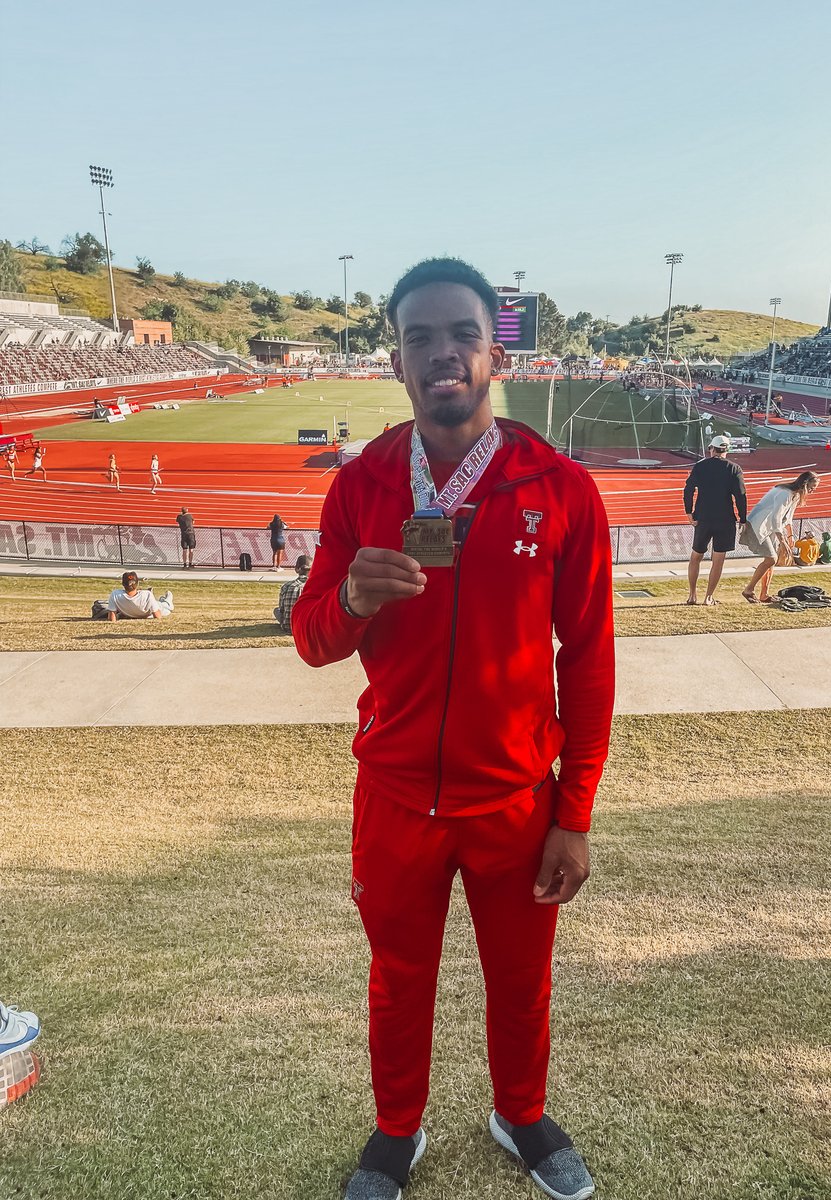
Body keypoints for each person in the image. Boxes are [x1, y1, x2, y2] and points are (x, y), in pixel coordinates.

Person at [292, 258, 614, 1200]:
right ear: (397, 360)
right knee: (399, 980)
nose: (444, 355)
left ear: (494, 351)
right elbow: (313, 640)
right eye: (421, 338)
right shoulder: (361, 488)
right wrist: (350, 598)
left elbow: (587, 661)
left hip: (516, 799)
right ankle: (397, 1133)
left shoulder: (559, 489)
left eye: (462, 335)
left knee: (523, 982)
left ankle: (521, 1115)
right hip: (394, 798)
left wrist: (576, 810)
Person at [682, 434, 747, 606]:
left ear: (712, 449)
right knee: (718, 560)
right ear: (727, 450)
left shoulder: (700, 466)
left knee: (695, 556)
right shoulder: (734, 468)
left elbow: (688, 490)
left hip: (703, 517)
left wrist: (689, 512)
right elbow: (740, 496)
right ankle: (708, 597)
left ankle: (692, 595)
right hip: (725, 519)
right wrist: (743, 518)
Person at [739, 471, 820, 603]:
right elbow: (775, 518)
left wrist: (790, 536)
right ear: (805, 485)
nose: (812, 491)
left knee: (771, 562)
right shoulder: (785, 493)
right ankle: (749, 590)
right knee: (771, 559)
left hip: (770, 529)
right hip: (758, 525)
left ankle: (764, 594)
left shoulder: (795, 496)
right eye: (811, 488)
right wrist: (782, 540)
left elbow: (788, 517)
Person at [106, 571, 174, 620]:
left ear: (123, 584)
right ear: (137, 584)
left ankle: (163, 600)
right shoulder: (147, 594)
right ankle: (168, 601)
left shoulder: (115, 594)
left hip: (130, 612)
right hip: (149, 613)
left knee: (157, 602)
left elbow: (111, 617)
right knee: (165, 606)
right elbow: (158, 616)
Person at [273, 554, 310, 630]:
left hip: (288, 626)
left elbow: (282, 608)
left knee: (276, 610)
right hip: (307, 628)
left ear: (296, 569)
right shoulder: (315, 586)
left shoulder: (286, 585)